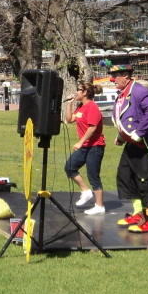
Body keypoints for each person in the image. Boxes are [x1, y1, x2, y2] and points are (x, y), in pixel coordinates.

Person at [110, 64, 148, 233]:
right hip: (131, 143)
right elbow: (126, 117)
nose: (113, 79)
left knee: (145, 181)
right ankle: (139, 213)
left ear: (126, 75)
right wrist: (121, 136)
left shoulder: (138, 91)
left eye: (116, 76)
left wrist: (139, 132)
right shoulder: (123, 93)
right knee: (125, 176)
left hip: (144, 144)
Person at [63, 82, 107, 215]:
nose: (76, 92)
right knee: (70, 167)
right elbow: (69, 119)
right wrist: (69, 104)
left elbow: (92, 128)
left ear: (85, 93)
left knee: (93, 176)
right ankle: (86, 191)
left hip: (95, 146)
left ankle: (99, 206)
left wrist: (80, 142)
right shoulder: (81, 107)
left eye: (78, 90)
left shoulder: (92, 107)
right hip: (85, 146)